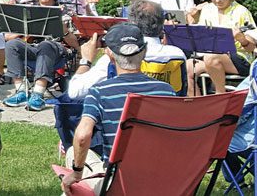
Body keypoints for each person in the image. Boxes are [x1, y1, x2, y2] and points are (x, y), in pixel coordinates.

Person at [60, 24, 176, 194]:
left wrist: (76, 174)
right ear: (144, 52)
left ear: (109, 54)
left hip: (119, 185)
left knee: (72, 157)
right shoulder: (166, 91)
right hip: (164, 183)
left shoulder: (100, 92)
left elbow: (82, 136)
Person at [67, 0, 188, 99]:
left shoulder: (117, 58)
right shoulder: (177, 54)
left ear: (131, 24)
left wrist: (86, 61)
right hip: (165, 121)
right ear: (161, 26)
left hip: (126, 123)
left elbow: (74, 92)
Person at [4, 0, 78, 112]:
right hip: (32, 48)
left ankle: (38, 93)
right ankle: (21, 91)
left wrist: (63, 28)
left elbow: (75, 44)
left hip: (57, 50)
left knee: (46, 45)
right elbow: (8, 37)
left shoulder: (65, 11)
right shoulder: (27, 12)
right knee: (12, 45)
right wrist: (27, 29)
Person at [186, 0, 256, 95]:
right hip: (211, 56)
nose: (217, 1)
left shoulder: (241, 12)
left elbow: (252, 47)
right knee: (187, 66)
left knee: (211, 58)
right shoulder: (207, 9)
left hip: (239, 58)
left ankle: (220, 97)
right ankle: (196, 105)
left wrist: (242, 39)